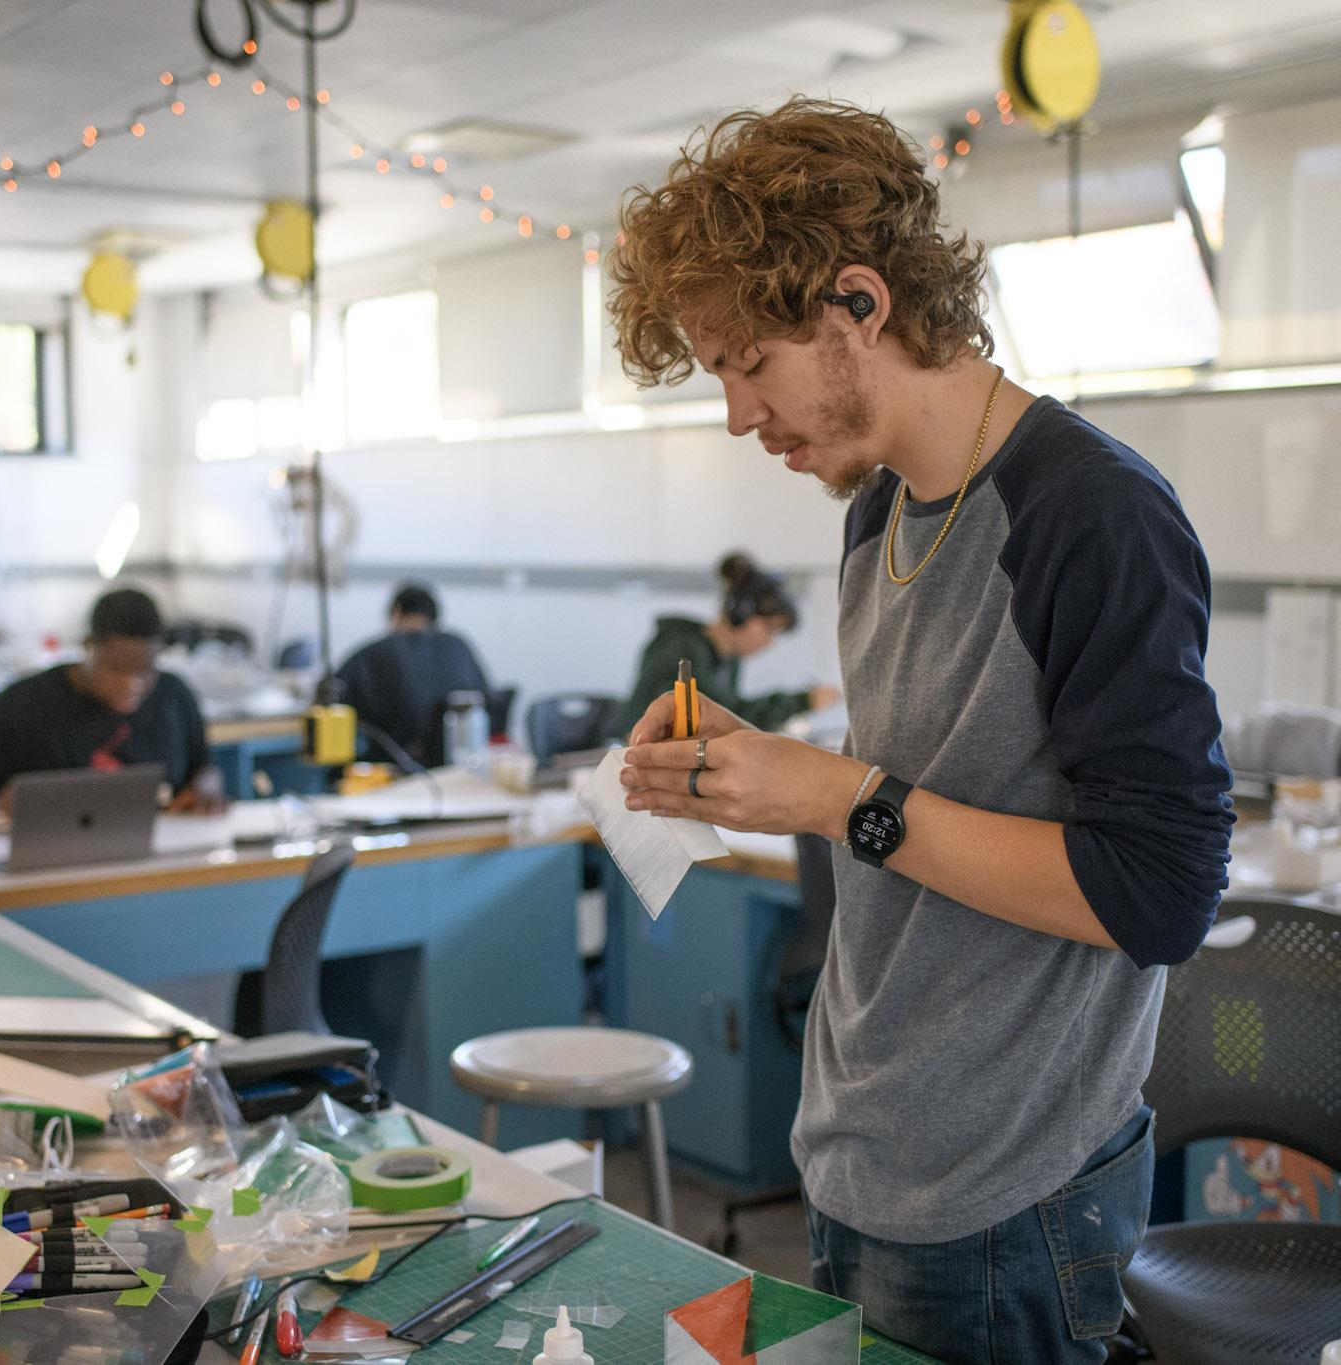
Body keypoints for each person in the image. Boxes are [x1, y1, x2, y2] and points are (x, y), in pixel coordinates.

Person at [605, 99, 1232, 1362]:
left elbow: (1159, 896)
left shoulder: (1091, 516)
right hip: (861, 1149)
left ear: (857, 305)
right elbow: (939, 772)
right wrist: (754, 757)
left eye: (747, 364)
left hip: (1007, 1192)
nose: (736, 414)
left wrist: (840, 797)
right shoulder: (875, 512)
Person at [0, 587, 213, 812]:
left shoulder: (174, 696)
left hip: (164, 852)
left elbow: (206, 769)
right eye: (117, 670)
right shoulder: (21, 705)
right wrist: (5, 806)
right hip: (52, 857)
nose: (131, 684)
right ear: (89, 647)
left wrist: (204, 789)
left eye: (144, 671)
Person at [615, 552, 840, 740]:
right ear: (741, 613)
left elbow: (726, 717)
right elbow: (716, 719)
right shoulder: (682, 649)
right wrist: (802, 701)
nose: (769, 643)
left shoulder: (727, 660)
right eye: (769, 629)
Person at [333, 582, 494, 768]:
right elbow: (490, 700)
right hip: (462, 768)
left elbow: (332, 700)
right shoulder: (459, 645)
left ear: (396, 613)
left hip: (391, 772)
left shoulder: (374, 653)